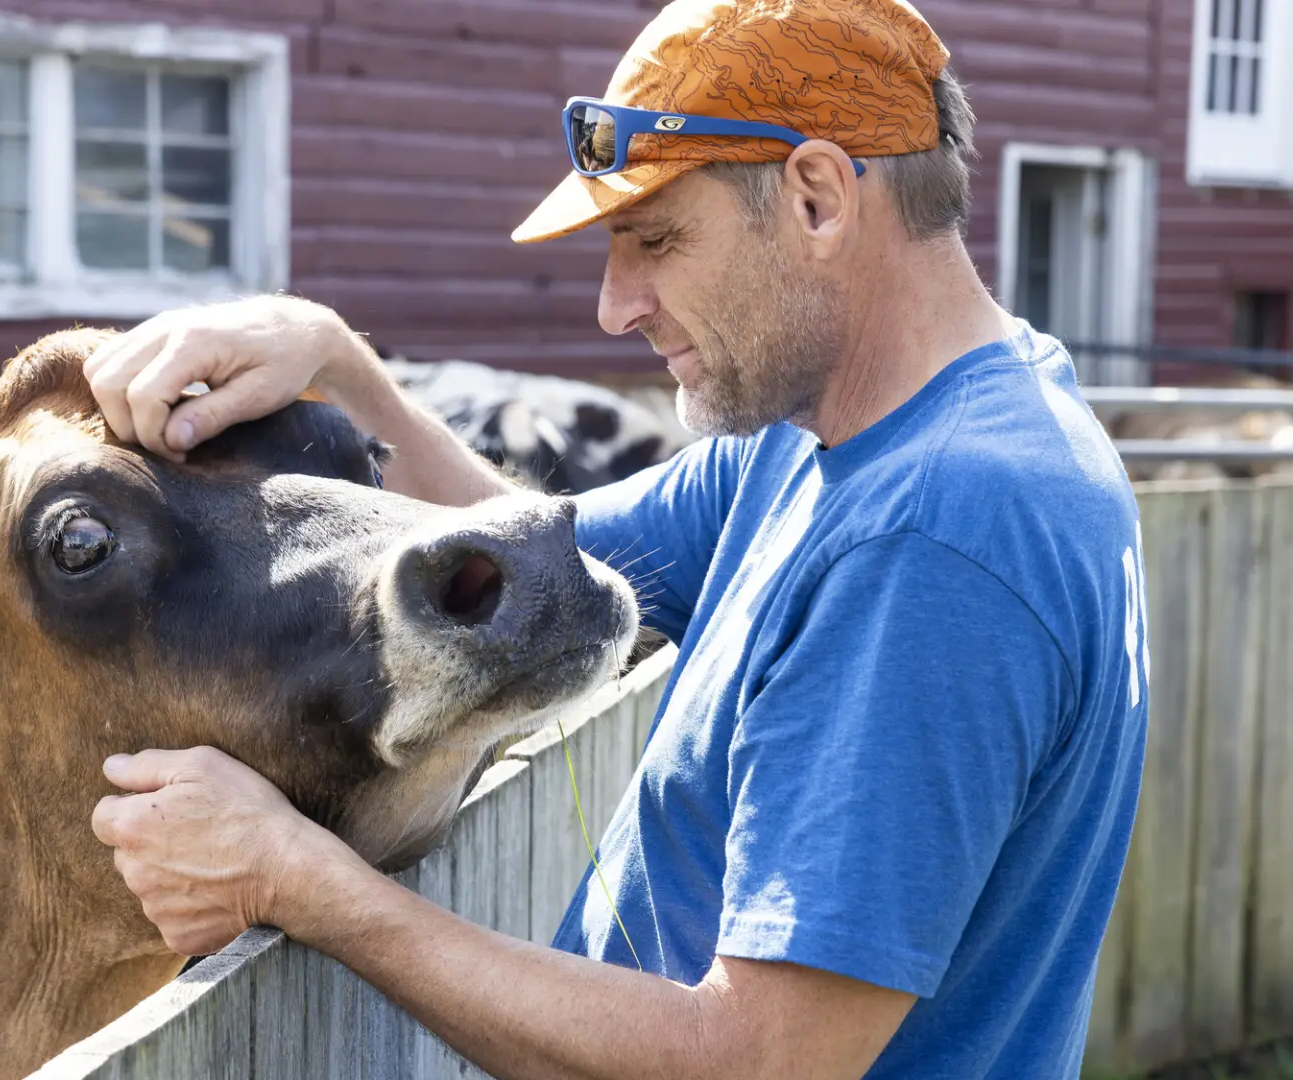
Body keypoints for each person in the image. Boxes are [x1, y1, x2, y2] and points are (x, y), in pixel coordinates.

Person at [85, 0, 1151, 1076]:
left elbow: (758, 1062)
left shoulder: (933, 535)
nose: (614, 305)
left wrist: (298, 882)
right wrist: (337, 364)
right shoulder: (847, 439)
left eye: (655, 240)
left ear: (819, 198)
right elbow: (509, 563)